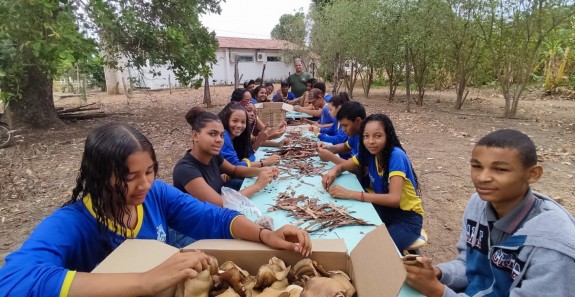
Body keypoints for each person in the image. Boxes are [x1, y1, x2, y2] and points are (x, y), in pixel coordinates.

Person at [0, 123, 312, 296]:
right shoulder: (75, 223)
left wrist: (264, 235)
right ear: (99, 176)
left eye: (149, 171)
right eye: (128, 177)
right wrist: (144, 280)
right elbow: (14, 278)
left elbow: (211, 217)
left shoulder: (156, 195)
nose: (144, 185)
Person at [404, 129, 575, 297]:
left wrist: (437, 291)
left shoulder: (554, 247)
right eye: (477, 166)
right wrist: (440, 273)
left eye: (500, 169)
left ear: (532, 174)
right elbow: (469, 264)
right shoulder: (478, 204)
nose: (482, 177)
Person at [321, 114, 424, 251]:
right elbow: (343, 166)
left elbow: (394, 199)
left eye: (378, 136)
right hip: (384, 210)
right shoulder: (369, 153)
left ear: (388, 135)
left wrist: (349, 193)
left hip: (407, 219)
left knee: (378, 251)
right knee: (348, 225)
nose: (371, 141)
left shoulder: (396, 156)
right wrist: (333, 172)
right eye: (366, 136)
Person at [173, 107, 279, 207]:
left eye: (222, 135)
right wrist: (258, 185)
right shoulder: (185, 169)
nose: (219, 140)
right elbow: (220, 203)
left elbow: (234, 170)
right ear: (195, 136)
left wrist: (261, 171)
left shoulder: (214, 156)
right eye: (212, 134)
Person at [217, 102, 280, 169]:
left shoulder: (239, 136)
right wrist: (264, 162)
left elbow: (249, 154)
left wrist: (245, 161)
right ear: (226, 120)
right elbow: (236, 166)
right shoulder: (224, 136)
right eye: (235, 121)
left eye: (243, 122)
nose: (239, 125)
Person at [317, 100, 366, 165]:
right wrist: (328, 148)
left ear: (357, 121)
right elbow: (345, 147)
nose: (343, 130)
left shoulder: (368, 140)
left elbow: (358, 169)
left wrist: (331, 157)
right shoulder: (356, 133)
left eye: (345, 125)